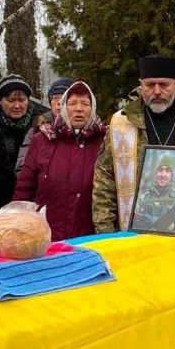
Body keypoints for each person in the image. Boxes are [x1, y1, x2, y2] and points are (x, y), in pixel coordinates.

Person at [92, 55, 175, 234]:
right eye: (150, 85)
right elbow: (104, 181)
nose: (157, 91)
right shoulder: (121, 123)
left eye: (164, 85)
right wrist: (106, 233)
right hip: (134, 236)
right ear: (141, 85)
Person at [13, 81, 107, 241]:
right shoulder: (42, 139)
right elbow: (24, 186)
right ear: (63, 107)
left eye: (85, 103)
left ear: (92, 109)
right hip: (45, 236)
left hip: (89, 238)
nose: (78, 108)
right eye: (72, 103)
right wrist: (15, 222)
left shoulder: (105, 142)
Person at [0, 74, 41, 208]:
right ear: (0, 101)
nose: (17, 105)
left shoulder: (40, 126)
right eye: (11, 100)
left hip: (31, 200)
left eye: (22, 100)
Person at [15, 76, 76, 174]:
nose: (59, 102)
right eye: (55, 98)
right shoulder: (36, 131)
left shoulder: (85, 131)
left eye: (65, 97)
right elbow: (22, 170)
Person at [134, 154, 175, 228]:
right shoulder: (143, 199)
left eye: (167, 171)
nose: (163, 175)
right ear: (156, 173)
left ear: (172, 175)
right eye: (160, 170)